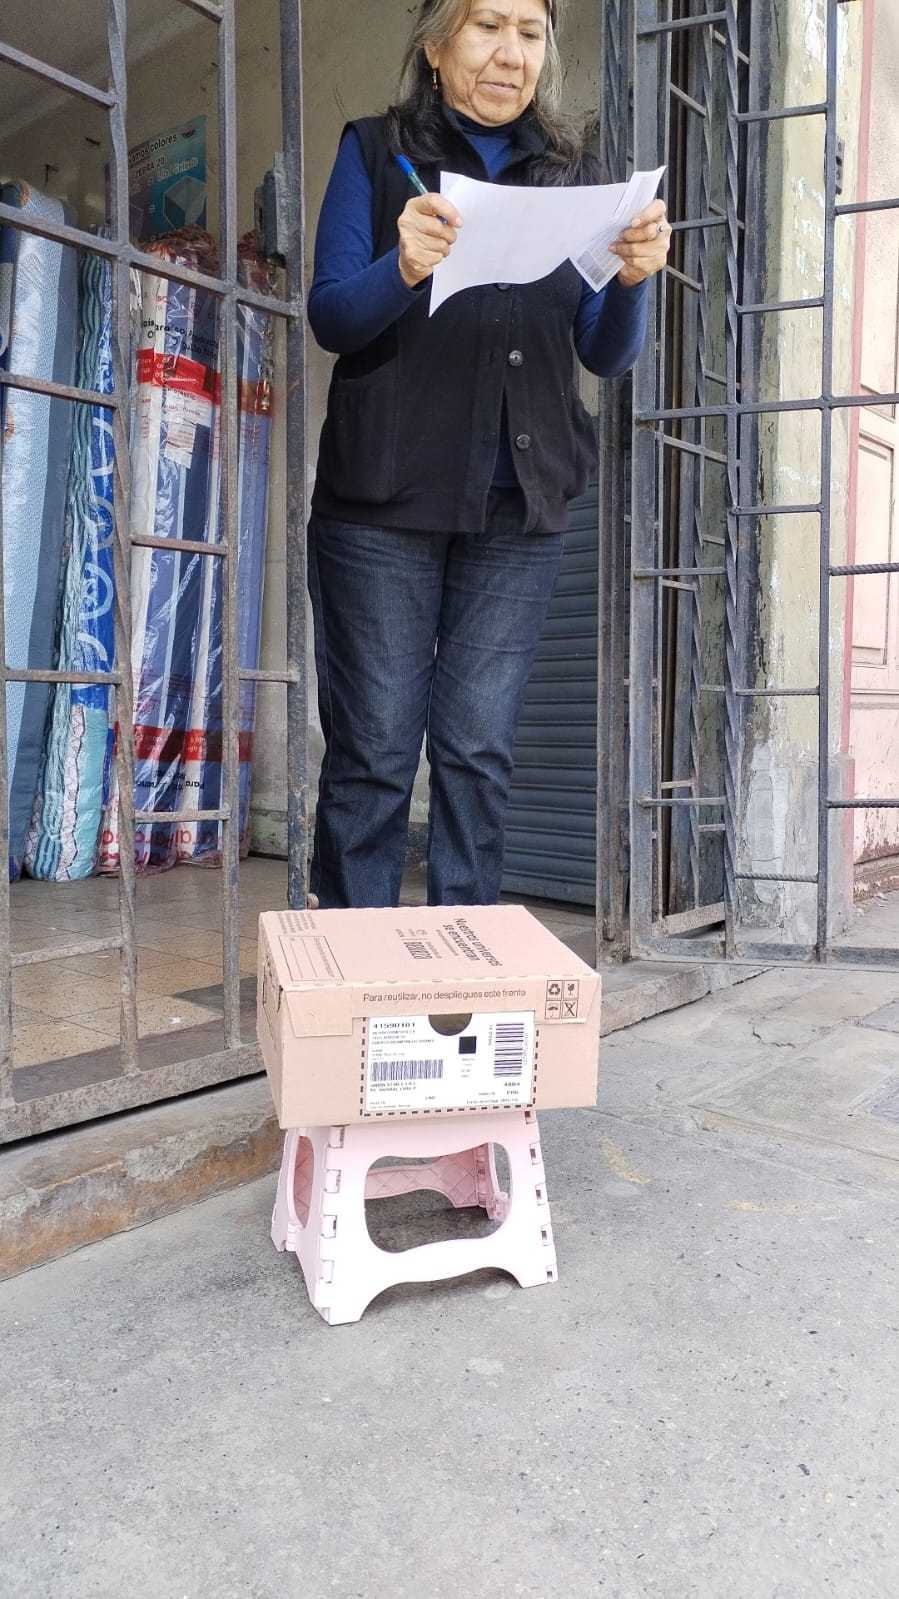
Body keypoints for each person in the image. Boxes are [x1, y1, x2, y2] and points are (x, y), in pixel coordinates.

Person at [306, 0, 671, 911]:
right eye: (487, 27)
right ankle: (351, 957)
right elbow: (331, 316)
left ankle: (460, 959)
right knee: (374, 749)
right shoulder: (374, 151)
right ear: (435, 47)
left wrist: (631, 281)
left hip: (518, 506)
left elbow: (604, 352)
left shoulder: (576, 177)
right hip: (382, 500)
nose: (511, 54)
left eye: (530, 33)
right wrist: (401, 266)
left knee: (476, 751)